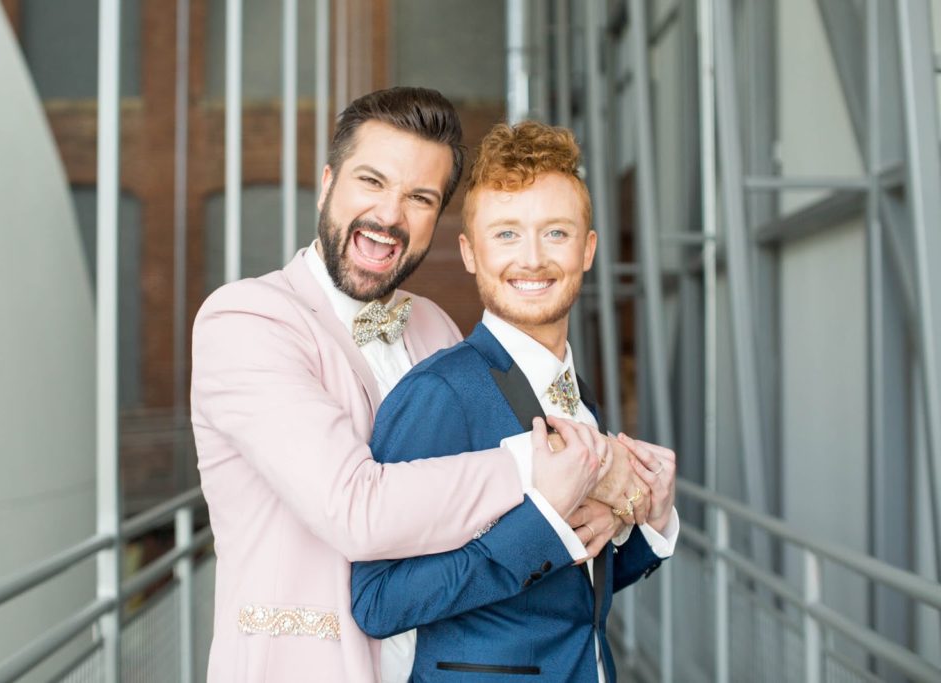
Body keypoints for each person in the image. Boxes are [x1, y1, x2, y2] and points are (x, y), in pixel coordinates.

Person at [191, 88, 621, 682]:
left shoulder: (434, 325)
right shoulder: (247, 320)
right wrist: (533, 463)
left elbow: (486, 519)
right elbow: (353, 508)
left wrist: (627, 496)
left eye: (419, 197)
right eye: (371, 181)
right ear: (326, 185)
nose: (390, 216)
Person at [350, 121, 679, 682]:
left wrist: (650, 517)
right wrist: (543, 521)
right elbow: (380, 603)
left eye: (555, 233)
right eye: (506, 234)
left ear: (588, 249)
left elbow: (565, 595)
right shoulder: (437, 396)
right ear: (470, 252)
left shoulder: (577, 392)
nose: (531, 259)